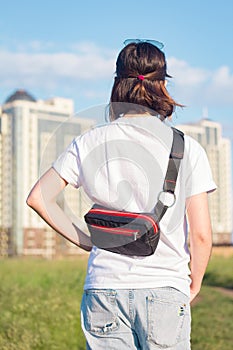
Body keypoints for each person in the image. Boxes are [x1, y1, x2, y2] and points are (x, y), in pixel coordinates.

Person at [27, 39, 216, 350]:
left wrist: (85, 240)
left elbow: (38, 197)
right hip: (165, 286)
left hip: (104, 287)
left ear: (117, 83)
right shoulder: (187, 148)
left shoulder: (89, 141)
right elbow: (201, 235)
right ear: (162, 84)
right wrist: (192, 283)